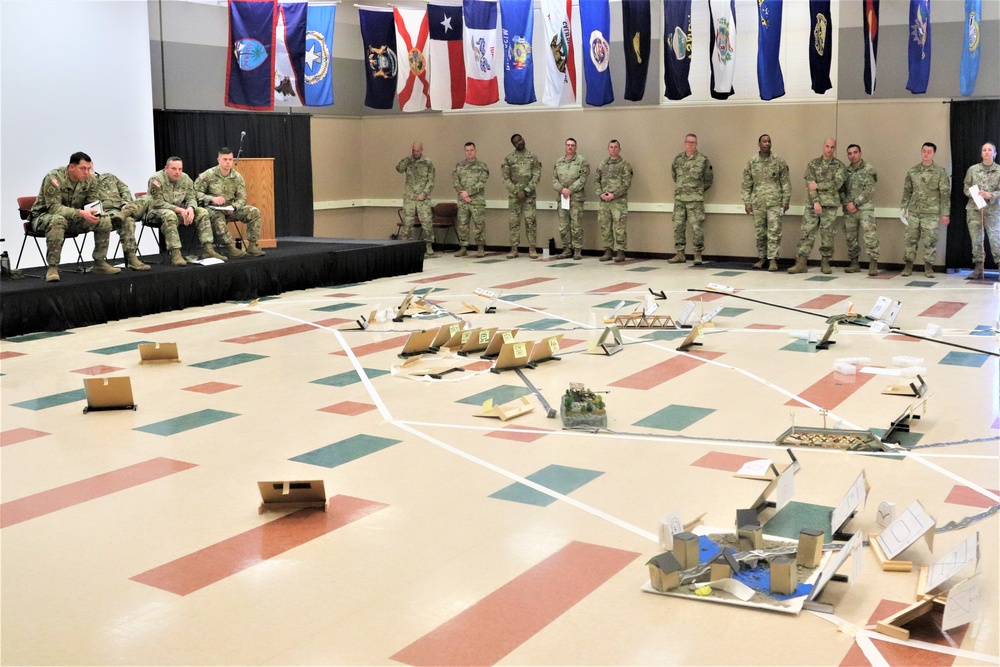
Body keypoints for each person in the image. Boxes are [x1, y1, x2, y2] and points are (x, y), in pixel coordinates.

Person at [28, 151, 121, 282]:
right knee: (57, 220)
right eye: (83, 168)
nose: (87, 172)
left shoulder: (90, 179)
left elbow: (93, 203)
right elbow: (54, 208)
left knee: (104, 218)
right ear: (71, 167)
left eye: (89, 168)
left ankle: (100, 263)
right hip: (44, 218)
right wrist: (80, 213)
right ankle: (53, 267)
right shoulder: (54, 178)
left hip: (73, 219)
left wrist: (93, 213)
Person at [788, 138, 847, 274]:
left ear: (835, 148)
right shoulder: (813, 164)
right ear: (823, 146)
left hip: (830, 206)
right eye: (827, 146)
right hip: (812, 205)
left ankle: (825, 263)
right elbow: (810, 186)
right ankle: (801, 263)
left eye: (832, 147)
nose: (829, 149)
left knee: (828, 235)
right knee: (807, 233)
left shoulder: (839, 166)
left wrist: (819, 185)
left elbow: (836, 184)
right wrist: (815, 202)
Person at [146, 157, 219, 265]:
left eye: (180, 169)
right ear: (166, 168)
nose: (177, 172)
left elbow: (192, 197)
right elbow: (156, 202)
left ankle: (208, 249)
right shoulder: (156, 180)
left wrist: (191, 208)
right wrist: (180, 210)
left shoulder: (185, 178)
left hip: (179, 211)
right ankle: (175, 254)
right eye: (174, 169)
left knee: (203, 212)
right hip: (156, 212)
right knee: (170, 214)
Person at [195, 148, 265, 258]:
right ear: (219, 160)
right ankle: (230, 247)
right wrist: (211, 198)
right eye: (225, 159)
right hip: (213, 208)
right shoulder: (208, 174)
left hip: (230, 208)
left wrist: (234, 206)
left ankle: (252, 246)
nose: (228, 162)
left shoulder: (237, 177)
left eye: (230, 159)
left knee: (254, 212)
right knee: (217, 217)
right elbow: (196, 193)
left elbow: (242, 198)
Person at [740, 134, 790, 272]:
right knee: (760, 232)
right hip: (758, 203)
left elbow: (785, 182)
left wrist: (786, 201)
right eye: (764, 141)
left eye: (769, 141)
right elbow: (746, 184)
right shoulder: (752, 162)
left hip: (775, 202)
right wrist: (747, 202)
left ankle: (773, 260)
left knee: (774, 231)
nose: (767, 144)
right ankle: (762, 258)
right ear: (759, 144)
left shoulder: (778, 161)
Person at [900, 142, 950, 277]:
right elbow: (907, 191)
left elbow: (945, 194)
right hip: (914, 211)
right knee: (910, 239)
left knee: (930, 241)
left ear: (934, 154)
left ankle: (928, 267)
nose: (926, 154)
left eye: (929, 152)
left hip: (931, 213)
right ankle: (908, 266)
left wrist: (946, 213)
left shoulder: (940, 172)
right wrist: (903, 208)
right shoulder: (913, 171)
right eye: (924, 151)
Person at [669, 134, 714, 265]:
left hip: (695, 200)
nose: (690, 144)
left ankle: (698, 254)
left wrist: (697, 190)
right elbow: (674, 175)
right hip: (680, 200)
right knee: (678, 226)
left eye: (693, 142)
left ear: (696, 144)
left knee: (697, 228)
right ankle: (680, 254)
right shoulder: (678, 159)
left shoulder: (703, 160)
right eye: (688, 142)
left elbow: (708, 179)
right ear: (684, 143)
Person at [94, 170, 150, 271]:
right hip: (106, 213)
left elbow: (124, 189)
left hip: (124, 208)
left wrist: (125, 203)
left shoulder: (109, 176)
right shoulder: (85, 184)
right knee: (128, 221)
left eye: (89, 167)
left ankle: (125, 213)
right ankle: (132, 258)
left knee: (147, 198)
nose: (88, 170)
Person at [500, 134, 542, 259]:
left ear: (524, 139)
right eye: (516, 142)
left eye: (520, 139)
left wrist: (526, 190)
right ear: (513, 144)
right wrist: (516, 191)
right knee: (514, 222)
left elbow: (536, 176)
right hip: (514, 197)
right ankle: (514, 249)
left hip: (529, 196)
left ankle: (532, 248)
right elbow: (505, 178)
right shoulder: (509, 159)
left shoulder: (533, 157)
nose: (519, 142)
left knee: (531, 222)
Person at [962, 142, 1000, 280]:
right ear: (981, 153)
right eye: (984, 150)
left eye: (990, 150)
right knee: (976, 239)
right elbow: (966, 187)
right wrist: (974, 193)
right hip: (974, 209)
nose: (987, 152)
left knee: (996, 239)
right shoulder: (973, 170)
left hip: (993, 210)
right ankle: (978, 267)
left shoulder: (999, 170)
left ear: (995, 153)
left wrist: (991, 195)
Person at [841, 144, 880, 276]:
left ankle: (873, 263)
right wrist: (847, 204)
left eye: (855, 152)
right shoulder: (845, 172)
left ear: (860, 153)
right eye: (850, 153)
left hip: (865, 209)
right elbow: (842, 190)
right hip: (849, 210)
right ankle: (854, 263)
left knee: (870, 236)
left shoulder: (869, 169)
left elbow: (869, 190)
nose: (853, 155)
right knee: (850, 237)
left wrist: (855, 203)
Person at [594, 139, 633, 263]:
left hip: (619, 202)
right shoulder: (602, 164)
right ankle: (608, 250)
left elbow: (626, 183)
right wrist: (601, 194)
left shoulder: (625, 164)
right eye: (611, 147)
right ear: (608, 149)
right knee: (605, 226)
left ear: (619, 149)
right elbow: (596, 181)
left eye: (616, 147)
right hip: (604, 201)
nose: (613, 149)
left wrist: (614, 195)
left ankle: (620, 251)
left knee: (619, 227)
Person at [395, 142, 436, 256]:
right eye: (413, 150)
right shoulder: (408, 161)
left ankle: (428, 245)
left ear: (422, 150)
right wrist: (407, 157)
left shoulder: (428, 162)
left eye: (417, 150)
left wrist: (424, 193)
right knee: (407, 223)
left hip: (423, 198)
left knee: (427, 222)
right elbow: (399, 169)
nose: (415, 153)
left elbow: (431, 181)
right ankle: (405, 245)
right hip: (409, 198)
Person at [552, 137, 590, 260]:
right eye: (568, 145)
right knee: (563, 225)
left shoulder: (582, 161)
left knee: (576, 225)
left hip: (576, 199)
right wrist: (562, 189)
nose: (570, 147)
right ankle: (567, 249)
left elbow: (583, 179)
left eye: (572, 145)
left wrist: (570, 189)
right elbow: (554, 180)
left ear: (576, 147)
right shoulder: (558, 162)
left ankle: (577, 250)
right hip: (562, 198)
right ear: (565, 147)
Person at [452, 142, 489, 257]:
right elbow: (455, 181)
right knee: (462, 225)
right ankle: (463, 247)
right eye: (467, 150)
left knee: (479, 224)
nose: (469, 152)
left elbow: (482, 182)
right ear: (464, 151)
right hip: (463, 201)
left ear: (475, 151)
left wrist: (469, 192)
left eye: (471, 150)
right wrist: (463, 194)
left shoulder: (482, 166)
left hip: (477, 201)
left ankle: (480, 247)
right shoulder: (459, 166)